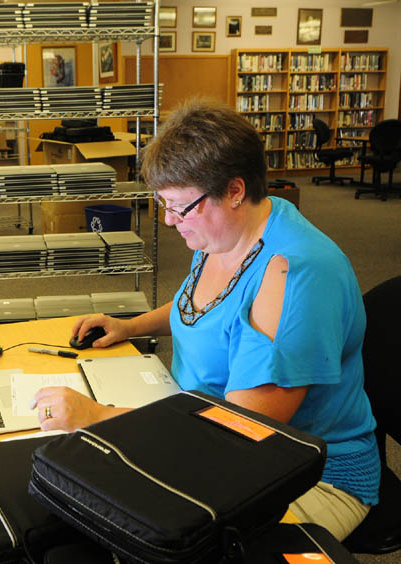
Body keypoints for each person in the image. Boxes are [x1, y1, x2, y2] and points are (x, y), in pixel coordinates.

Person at [32, 99, 380, 541]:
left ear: (234, 190)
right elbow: (203, 309)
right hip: (199, 422)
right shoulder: (226, 229)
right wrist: (132, 326)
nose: (168, 220)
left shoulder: (295, 273)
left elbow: (242, 430)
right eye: (163, 203)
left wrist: (100, 416)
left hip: (306, 473)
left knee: (140, 528)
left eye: (179, 206)